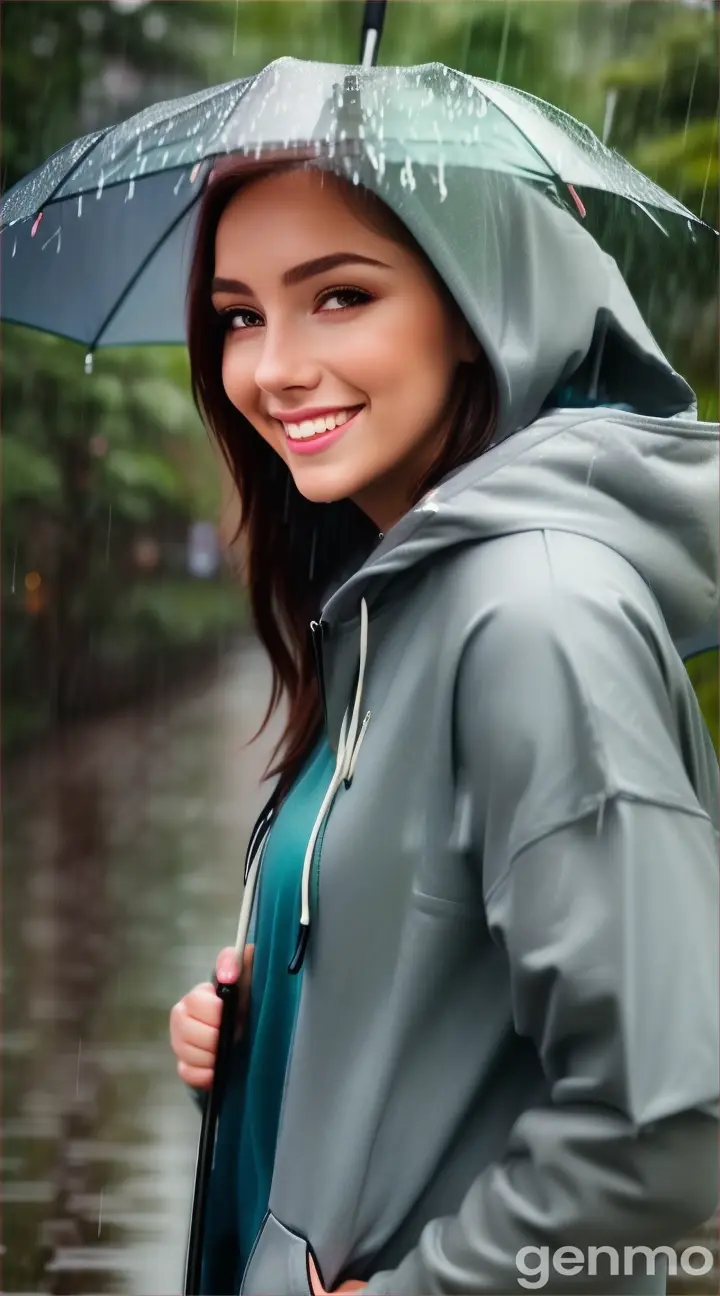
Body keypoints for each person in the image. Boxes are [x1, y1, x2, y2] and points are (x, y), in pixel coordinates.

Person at [169, 144, 719, 1296]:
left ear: (478, 311)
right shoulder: (385, 609)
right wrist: (273, 1034)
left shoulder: (537, 620)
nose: (273, 369)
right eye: (236, 316)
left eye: (340, 296)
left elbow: (671, 1124)